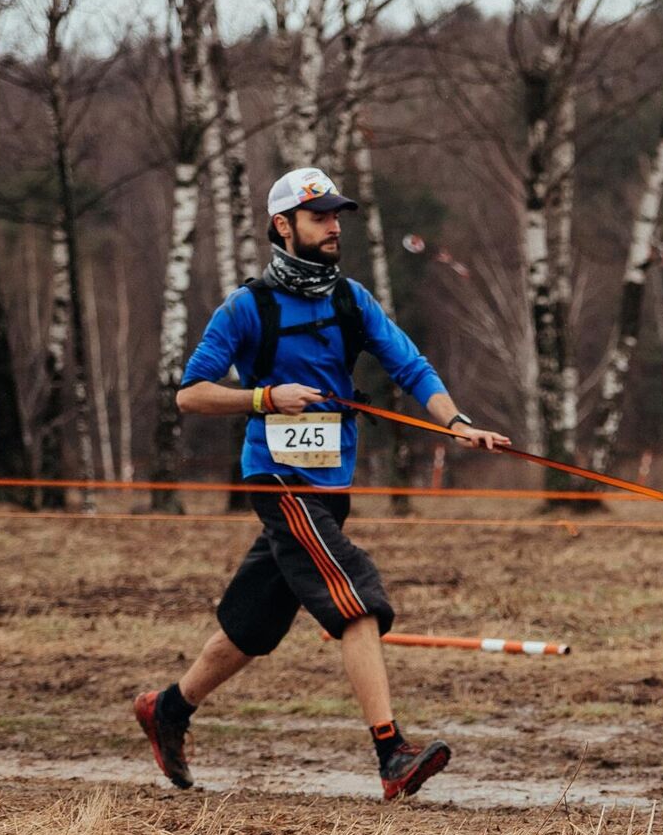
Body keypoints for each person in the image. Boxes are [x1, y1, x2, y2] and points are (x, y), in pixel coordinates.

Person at [133, 167, 510, 801]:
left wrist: (457, 424)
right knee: (355, 595)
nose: (335, 226)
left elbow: (410, 366)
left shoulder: (351, 300)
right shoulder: (246, 307)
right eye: (321, 217)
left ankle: (167, 708)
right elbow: (191, 395)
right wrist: (263, 397)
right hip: (279, 481)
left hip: (332, 485)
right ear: (284, 226)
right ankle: (391, 754)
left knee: (250, 629)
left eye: (338, 216)